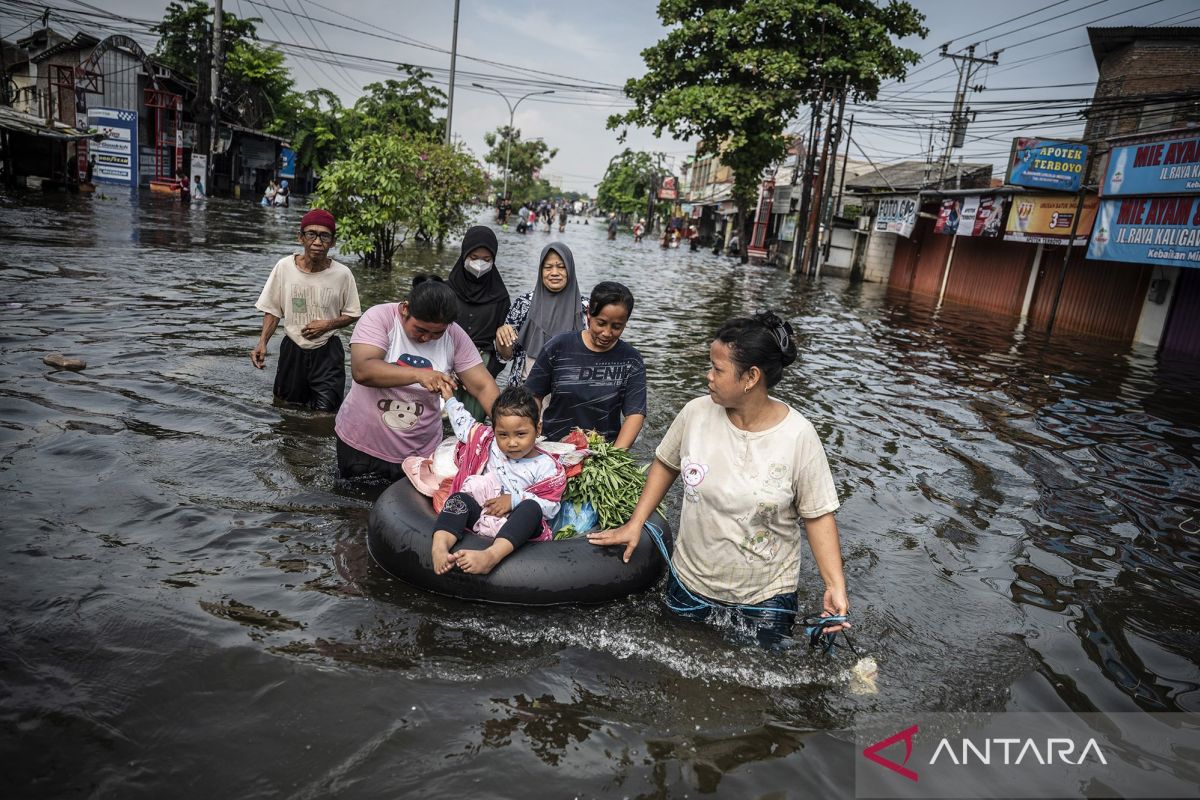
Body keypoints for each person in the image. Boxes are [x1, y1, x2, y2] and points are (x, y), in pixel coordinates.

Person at [588, 312, 848, 648]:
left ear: (751, 377)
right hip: (689, 585)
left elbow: (817, 514)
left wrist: (834, 585)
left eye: (718, 369)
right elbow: (665, 465)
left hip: (763, 598)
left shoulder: (798, 437)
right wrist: (635, 523)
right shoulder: (695, 414)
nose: (708, 376)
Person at [334, 276, 500, 481]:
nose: (426, 338)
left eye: (436, 333)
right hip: (362, 442)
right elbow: (363, 370)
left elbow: (482, 386)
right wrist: (418, 374)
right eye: (420, 330)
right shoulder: (380, 318)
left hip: (419, 450)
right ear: (405, 309)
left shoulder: (455, 336)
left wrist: (507, 427)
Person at [430, 384, 566, 575]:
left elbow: (552, 507)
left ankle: (491, 556)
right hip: (484, 514)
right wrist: (449, 398)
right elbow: (463, 424)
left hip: (517, 526)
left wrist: (514, 500)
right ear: (494, 430)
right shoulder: (488, 442)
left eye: (521, 434)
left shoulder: (546, 466)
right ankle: (440, 547)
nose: (511, 443)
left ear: (538, 429)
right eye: (503, 435)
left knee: (531, 508)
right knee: (458, 499)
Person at [251, 209, 361, 412]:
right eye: (311, 234)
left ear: (333, 242)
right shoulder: (284, 267)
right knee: (287, 407)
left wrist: (327, 324)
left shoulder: (343, 274)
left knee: (326, 412)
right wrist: (262, 342)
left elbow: (353, 313)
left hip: (328, 351)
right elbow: (273, 309)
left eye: (324, 235)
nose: (317, 242)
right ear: (300, 237)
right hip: (293, 349)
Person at [525, 281, 646, 448]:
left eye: (617, 327)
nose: (607, 333)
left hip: (602, 452)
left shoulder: (631, 360)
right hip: (553, 447)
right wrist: (532, 433)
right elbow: (533, 395)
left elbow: (635, 414)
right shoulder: (558, 347)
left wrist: (615, 457)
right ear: (589, 314)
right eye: (601, 323)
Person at [494, 242, 588, 385]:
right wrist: (502, 336)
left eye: (561, 267)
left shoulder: (587, 308)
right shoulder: (524, 304)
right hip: (524, 392)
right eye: (548, 267)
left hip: (570, 393)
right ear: (540, 271)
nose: (554, 273)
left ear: (571, 269)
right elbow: (506, 356)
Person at [447, 226, 511, 419]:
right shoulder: (445, 291)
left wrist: (484, 374)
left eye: (486, 259)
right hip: (444, 365)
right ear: (464, 254)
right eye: (474, 257)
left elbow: (503, 354)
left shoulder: (500, 298)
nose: (479, 264)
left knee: (472, 427)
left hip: (481, 367)